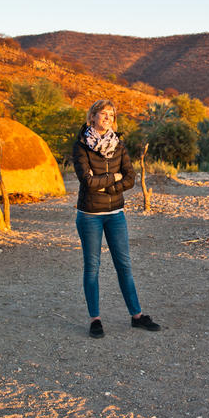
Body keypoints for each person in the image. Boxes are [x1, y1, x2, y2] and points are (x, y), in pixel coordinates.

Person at [72, 99, 160, 338]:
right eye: (103, 113)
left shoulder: (118, 144)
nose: (107, 118)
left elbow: (130, 177)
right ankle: (95, 320)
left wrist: (108, 186)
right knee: (92, 267)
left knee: (124, 265)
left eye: (111, 114)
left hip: (116, 214)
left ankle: (137, 316)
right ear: (92, 117)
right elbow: (87, 182)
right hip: (89, 215)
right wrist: (115, 176)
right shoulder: (81, 146)